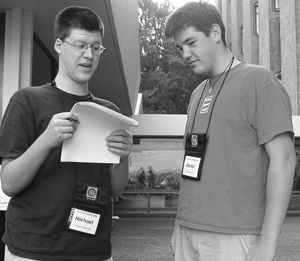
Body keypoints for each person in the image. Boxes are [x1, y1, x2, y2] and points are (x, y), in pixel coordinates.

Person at [164, 1, 296, 261]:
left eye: (191, 42)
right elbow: (194, 162)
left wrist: (268, 242)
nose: (185, 54)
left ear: (215, 33)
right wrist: (180, 226)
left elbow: (284, 159)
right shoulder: (196, 94)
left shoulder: (259, 80)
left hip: (235, 235)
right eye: (181, 47)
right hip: (187, 233)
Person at [0, 6, 132, 261]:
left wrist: (123, 157)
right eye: (80, 45)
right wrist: (46, 141)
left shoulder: (109, 112)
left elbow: (115, 190)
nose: (89, 55)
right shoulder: (26, 101)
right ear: (59, 45)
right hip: (32, 250)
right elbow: (8, 184)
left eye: (96, 48)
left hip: (93, 250)